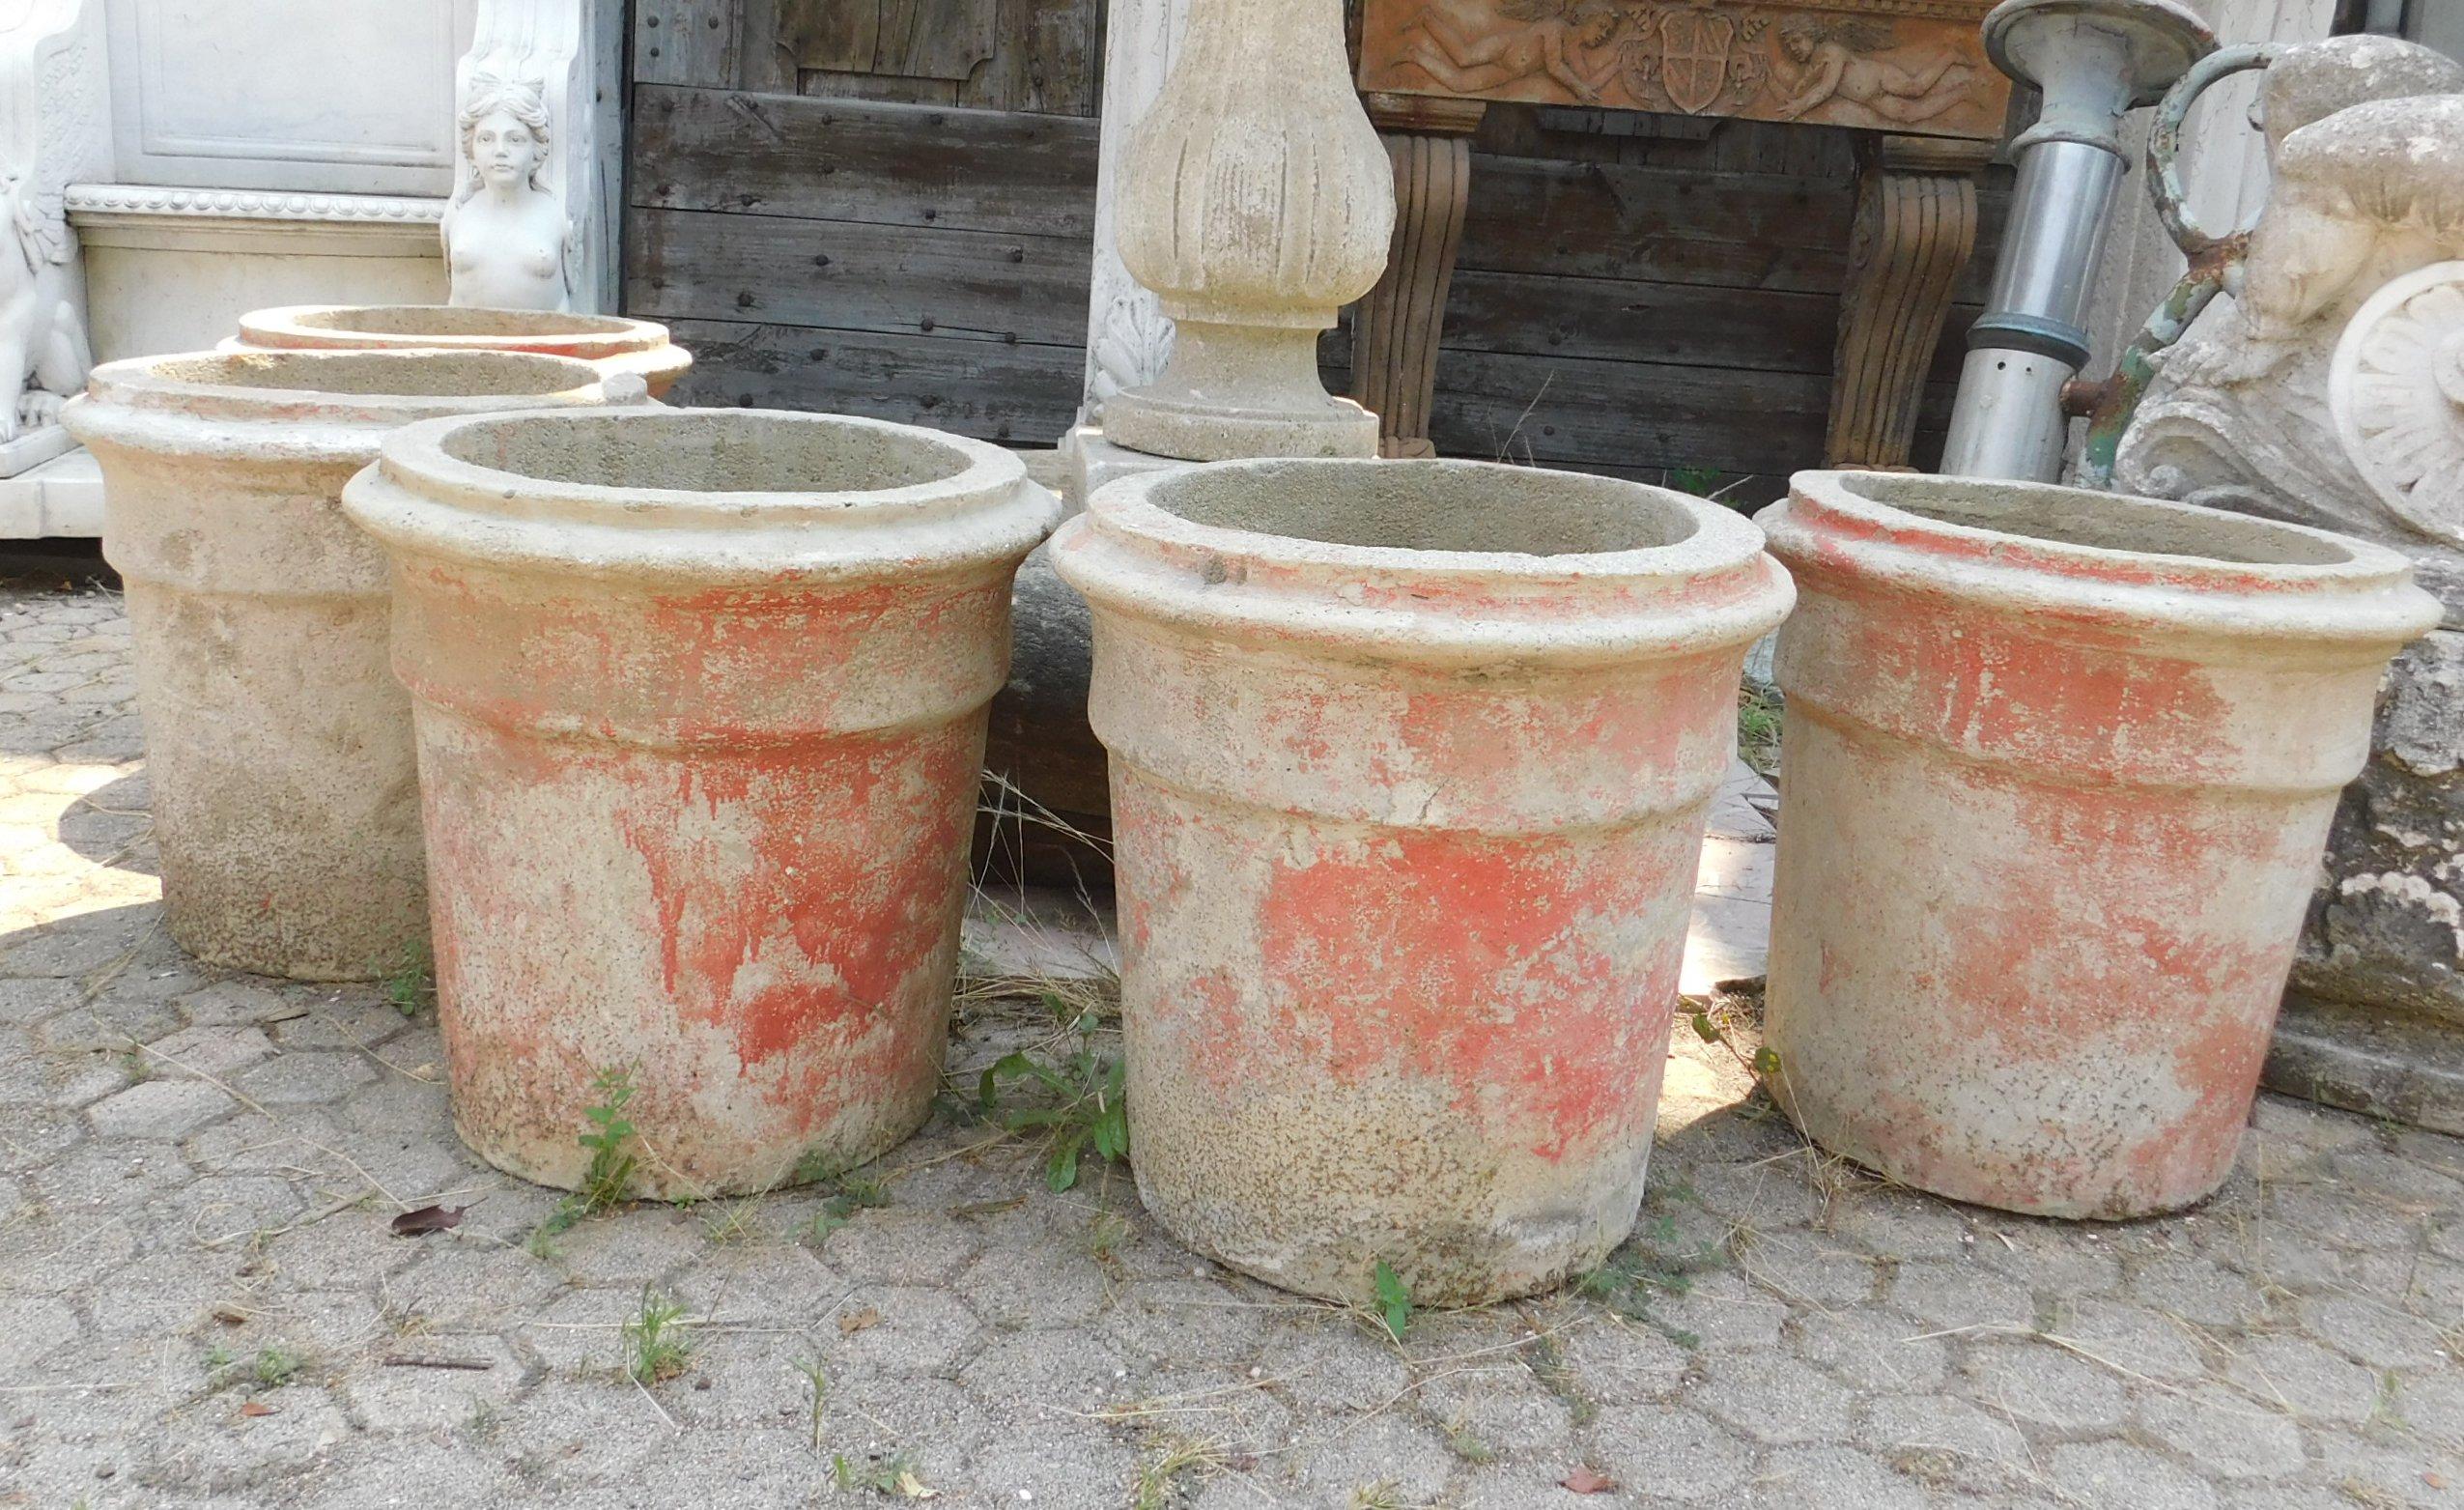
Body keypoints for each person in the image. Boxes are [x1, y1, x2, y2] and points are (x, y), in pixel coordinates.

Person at [441, 74, 573, 312]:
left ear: (537, 148)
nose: (500, 151)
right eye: (486, 139)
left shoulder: (556, 215)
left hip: (543, 344)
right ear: (470, 148)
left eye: (515, 139)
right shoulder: (458, 213)